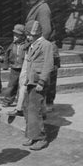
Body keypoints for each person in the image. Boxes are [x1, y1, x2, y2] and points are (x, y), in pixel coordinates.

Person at [21, 0, 60, 112]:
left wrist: (36, 45)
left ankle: (47, 103)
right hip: (39, 45)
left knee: (47, 75)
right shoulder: (36, 7)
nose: (27, 1)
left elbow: (46, 31)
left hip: (44, 46)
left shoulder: (43, 9)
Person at [22, 20, 54, 151]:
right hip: (31, 81)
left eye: (29, 34)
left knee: (36, 110)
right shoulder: (32, 44)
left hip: (38, 82)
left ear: (36, 34)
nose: (28, 37)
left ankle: (41, 138)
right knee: (27, 108)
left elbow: (48, 64)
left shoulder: (46, 45)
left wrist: (42, 81)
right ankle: (32, 135)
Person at [1, 24, 27, 107]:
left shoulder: (26, 45)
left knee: (22, 85)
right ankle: (7, 100)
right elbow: (6, 54)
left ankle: (21, 102)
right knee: (11, 85)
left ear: (23, 36)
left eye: (17, 36)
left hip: (23, 68)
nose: (15, 37)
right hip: (14, 67)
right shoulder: (12, 45)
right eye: (14, 35)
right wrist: (5, 65)